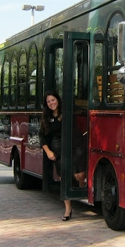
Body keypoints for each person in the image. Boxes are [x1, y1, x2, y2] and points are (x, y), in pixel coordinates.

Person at [39, 91, 84, 221]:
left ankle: (79, 195)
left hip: (75, 147)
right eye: (48, 102)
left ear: (58, 100)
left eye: (53, 100)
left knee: (80, 175)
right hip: (58, 151)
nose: (51, 103)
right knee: (65, 179)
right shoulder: (46, 118)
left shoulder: (68, 111)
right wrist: (48, 152)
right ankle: (68, 209)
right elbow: (42, 136)